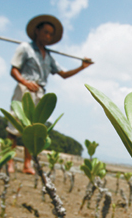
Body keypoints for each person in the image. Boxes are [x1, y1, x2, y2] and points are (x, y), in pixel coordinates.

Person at [6, 14, 93, 174]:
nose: (47, 36)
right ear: (37, 31)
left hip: (40, 93)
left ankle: (27, 164)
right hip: (24, 89)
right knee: (14, 127)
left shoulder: (49, 57)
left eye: (50, 34)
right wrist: (25, 82)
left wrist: (82, 67)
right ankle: (9, 162)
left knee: (32, 129)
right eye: (45, 32)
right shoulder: (25, 48)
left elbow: (64, 74)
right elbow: (13, 70)